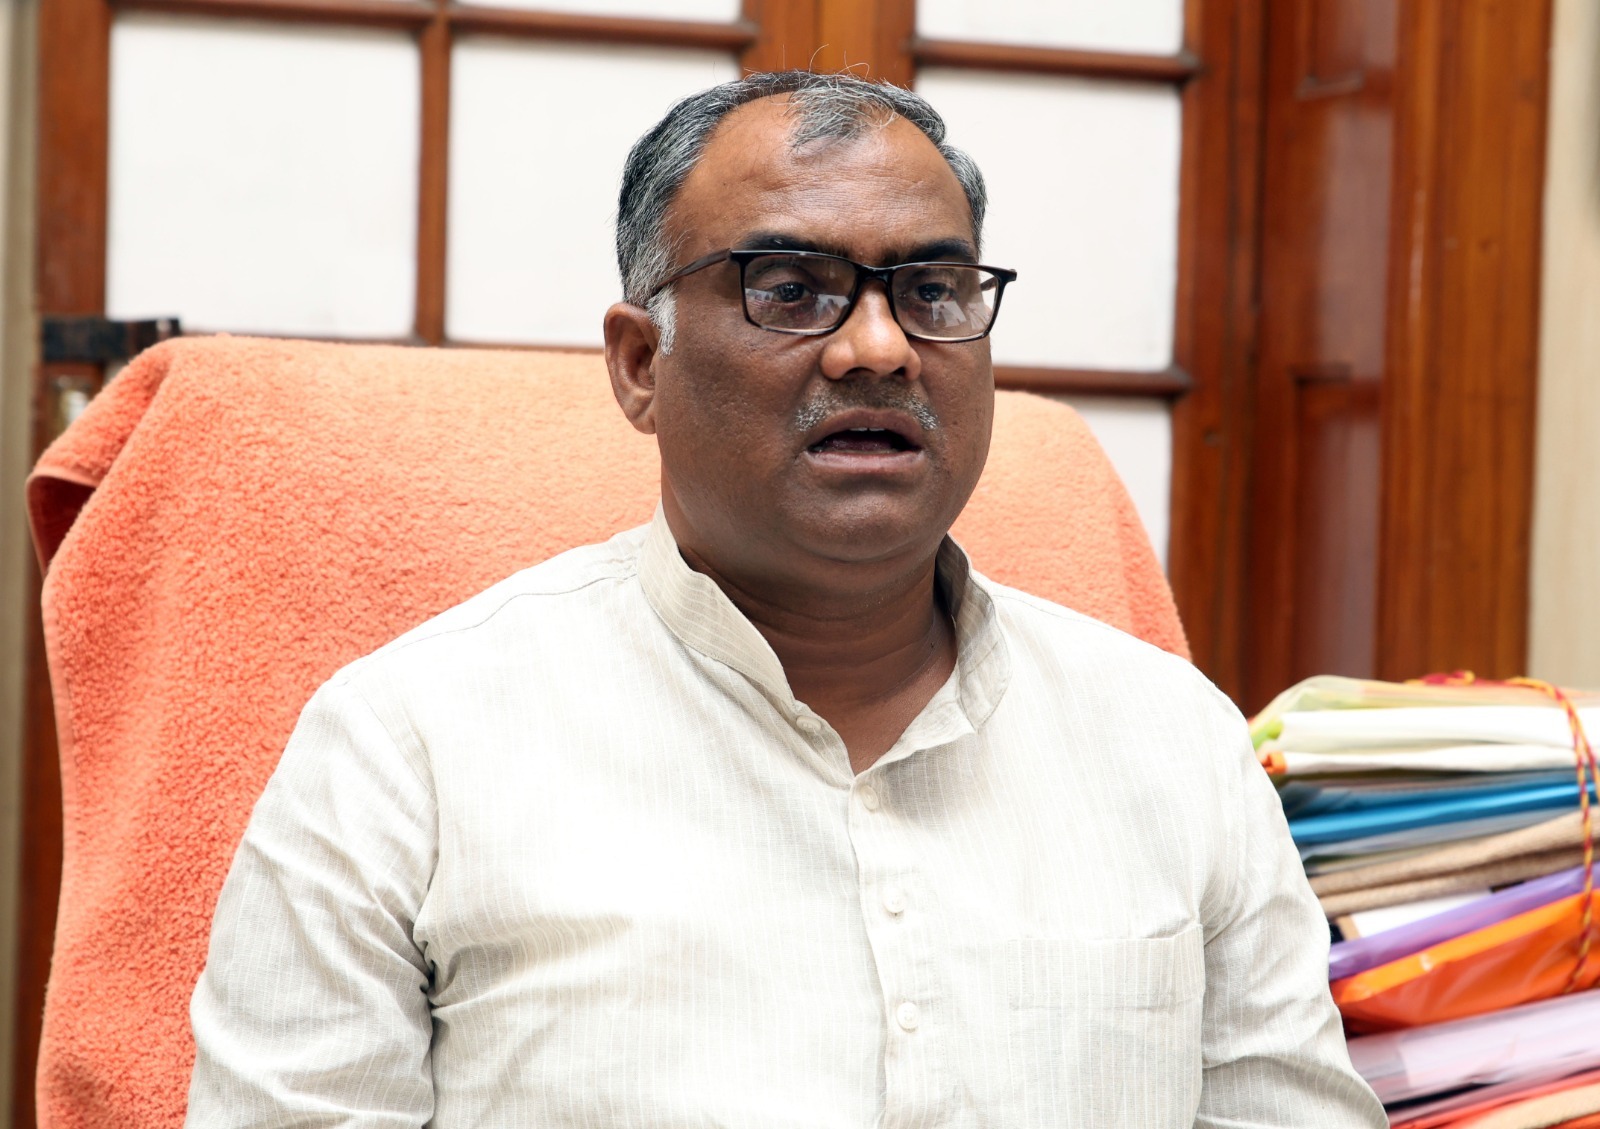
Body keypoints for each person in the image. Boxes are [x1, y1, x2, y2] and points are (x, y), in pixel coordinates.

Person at [186, 71, 1385, 1127]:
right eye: (791, 288)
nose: (878, 348)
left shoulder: (1172, 744)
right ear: (640, 365)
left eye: (931, 289)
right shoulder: (407, 746)